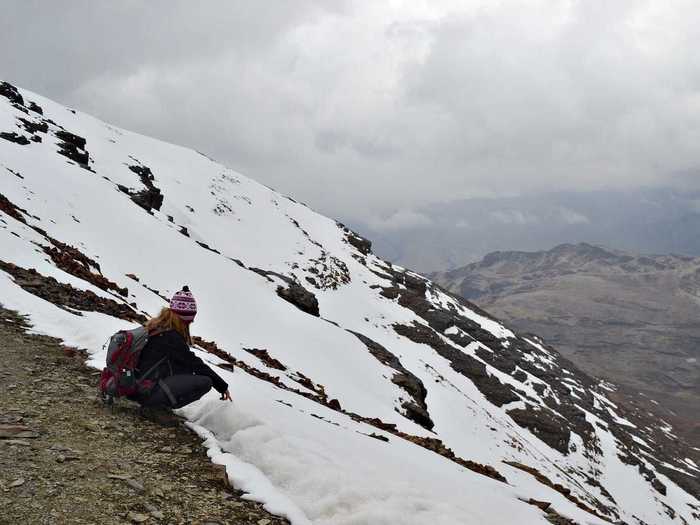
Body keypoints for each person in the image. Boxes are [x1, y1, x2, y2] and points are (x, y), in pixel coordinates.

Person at [134, 286, 232, 414]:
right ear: (183, 319)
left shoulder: (156, 327)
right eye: (189, 321)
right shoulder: (171, 337)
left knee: (185, 371)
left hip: (136, 385)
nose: (190, 324)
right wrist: (222, 386)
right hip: (145, 391)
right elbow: (195, 364)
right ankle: (155, 409)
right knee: (205, 382)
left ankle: (156, 405)